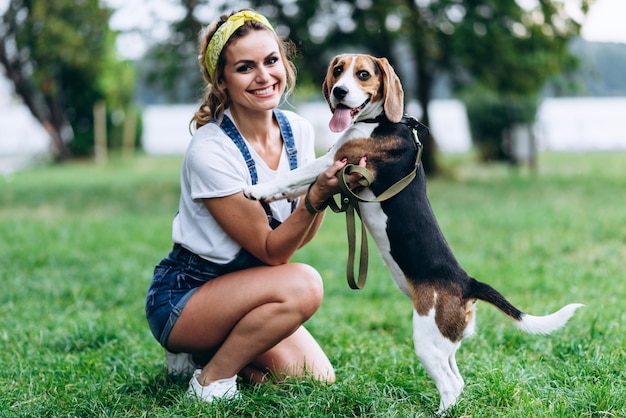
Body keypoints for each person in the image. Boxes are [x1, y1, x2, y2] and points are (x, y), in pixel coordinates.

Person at [145, 9, 364, 403]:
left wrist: (325, 191)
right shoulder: (210, 151)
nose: (264, 77)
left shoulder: (297, 130)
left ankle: (203, 354)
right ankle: (211, 379)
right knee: (305, 283)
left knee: (314, 380)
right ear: (222, 81)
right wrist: (314, 197)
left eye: (271, 61)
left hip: (251, 290)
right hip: (186, 296)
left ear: (284, 62)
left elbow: (295, 236)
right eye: (245, 67)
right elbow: (272, 251)